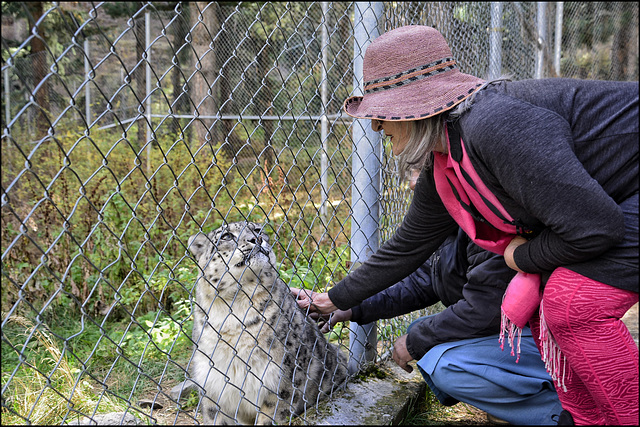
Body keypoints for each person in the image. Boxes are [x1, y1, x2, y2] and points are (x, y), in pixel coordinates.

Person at [293, 25, 638, 426]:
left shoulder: (495, 126)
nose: (376, 127)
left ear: (413, 108)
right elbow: (406, 248)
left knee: (572, 304)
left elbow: (596, 229)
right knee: (557, 310)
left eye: (380, 113)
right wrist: (334, 299)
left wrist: (521, 256)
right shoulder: (447, 165)